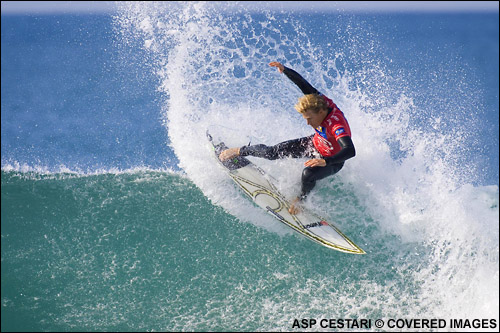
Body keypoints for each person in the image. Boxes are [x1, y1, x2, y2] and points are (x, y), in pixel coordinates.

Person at [219, 62, 355, 214]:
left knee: (308, 174)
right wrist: (285, 70)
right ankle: (240, 150)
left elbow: (350, 150)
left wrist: (325, 161)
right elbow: (303, 83)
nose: (308, 123)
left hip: (332, 160)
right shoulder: (319, 101)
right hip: (314, 144)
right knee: (272, 152)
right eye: (305, 118)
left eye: (310, 118)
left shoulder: (336, 125)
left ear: (321, 112)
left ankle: (301, 201)